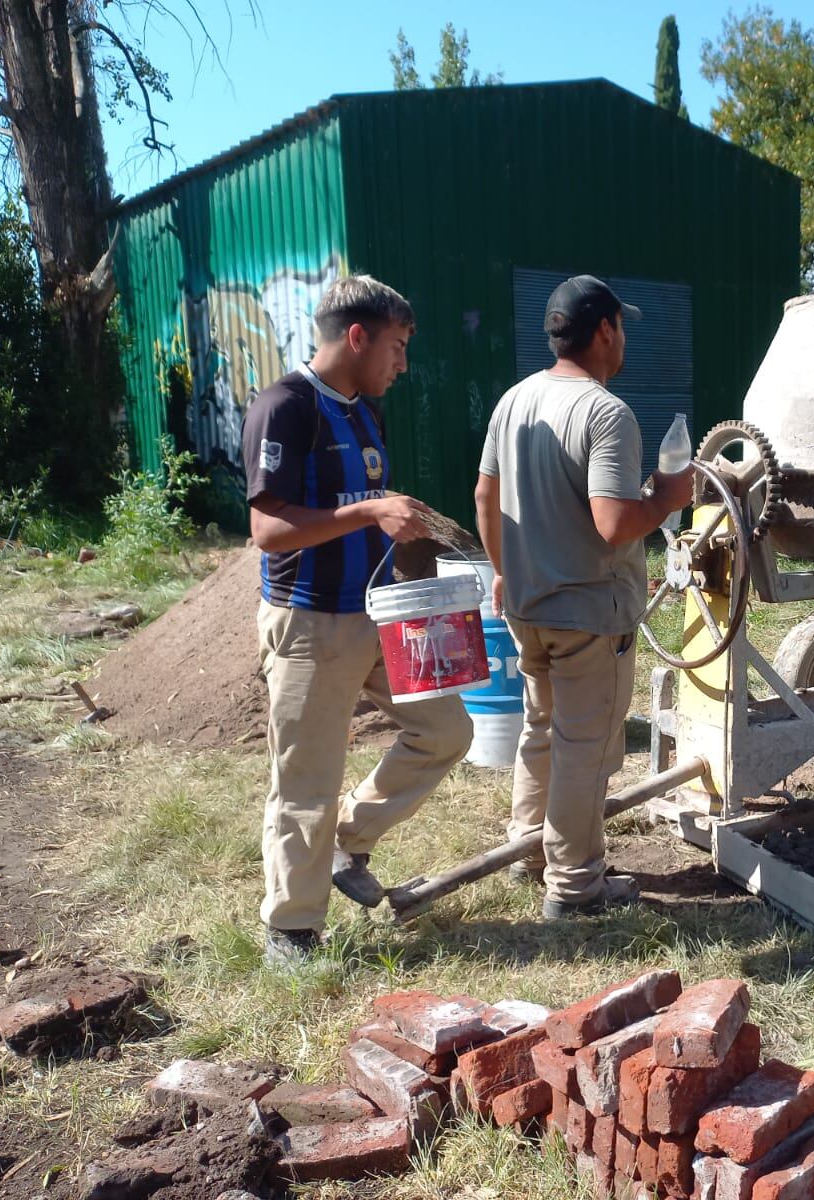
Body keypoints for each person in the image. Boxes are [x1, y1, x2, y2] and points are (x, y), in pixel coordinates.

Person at [242, 274, 472, 965]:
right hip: (310, 624)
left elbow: (360, 509)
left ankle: (346, 838)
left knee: (445, 730)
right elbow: (267, 528)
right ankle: (291, 928)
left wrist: (409, 547)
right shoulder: (284, 406)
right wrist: (371, 511)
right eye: (397, 347)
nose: (402, 364)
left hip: (373, 614)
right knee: (304, 779)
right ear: (357, 337)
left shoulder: (362, 410)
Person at [474, 275, 692, 919]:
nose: (623, 340)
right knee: (586, 745)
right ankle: (573, 889)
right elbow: (613, 523)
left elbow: (487, 499)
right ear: (604, 330)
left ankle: (528, 851)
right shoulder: (606, 413)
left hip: (528, 607)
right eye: (621, 327)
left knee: (541, 729)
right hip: (589, 616)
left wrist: (503, 570)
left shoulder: (513, 401)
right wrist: (666, 499)